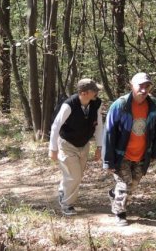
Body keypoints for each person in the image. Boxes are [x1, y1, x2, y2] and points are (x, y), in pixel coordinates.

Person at [102, 72, 156, 226]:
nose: (144, 90)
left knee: (133, 184)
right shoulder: (120, 105)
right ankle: (120, 213)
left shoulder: (154, 106)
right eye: (140, 86)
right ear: (131, 86)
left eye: (147, 86)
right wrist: (108, 160)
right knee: (124, 185)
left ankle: (113, 194)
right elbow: (109, 132)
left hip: (142, 154)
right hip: (121, 154)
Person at [49, 78, 103, 216]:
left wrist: (99, 147)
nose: (97, 92)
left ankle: (63, 191)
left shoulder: (96, 104)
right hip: (67, 144)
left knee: (74, 175)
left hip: (84, 144)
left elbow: (99, 126)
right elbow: (56, 126)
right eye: (94, 91)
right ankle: (67, 204)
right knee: (74, 176)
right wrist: (53, 149)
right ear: (84, 93)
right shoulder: (69, 105)